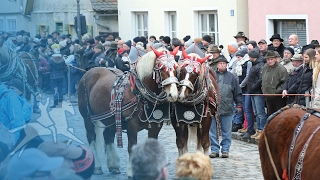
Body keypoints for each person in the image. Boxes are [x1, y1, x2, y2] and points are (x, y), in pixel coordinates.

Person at [209, 55, 242, 158]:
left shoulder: (232, 77)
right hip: (212, 107)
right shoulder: (212, 76)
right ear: (217, 65)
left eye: (224, 63)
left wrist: (239, 105)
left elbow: (237, 92)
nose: (222, 65)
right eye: (220, 63)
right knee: (212, 130)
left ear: (227, 65)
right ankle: (214, 150)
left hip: (227, 107)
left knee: (226, 131)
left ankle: (225, 150)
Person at [0, 79, 32, 143]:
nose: (10, 90)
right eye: (8, 88)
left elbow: (18, 122)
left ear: (21, 91)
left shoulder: (25, 105)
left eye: (12, 89)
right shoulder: (8, 99)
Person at [262, 50, 288, 116]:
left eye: (271, 59)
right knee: (270, 114)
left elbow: (285, 82)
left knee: (279, 115)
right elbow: (263, 79)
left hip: (278, 97)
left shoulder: (281, 69)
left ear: (275, 59)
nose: (270, 61)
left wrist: (277, 91)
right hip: (267, 95)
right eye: (268, 59)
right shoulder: (265, 67)